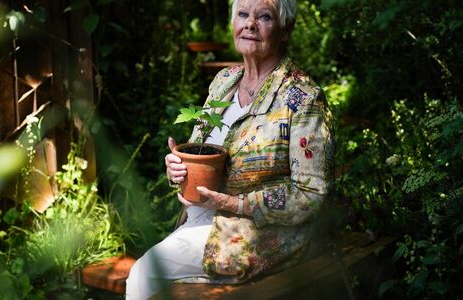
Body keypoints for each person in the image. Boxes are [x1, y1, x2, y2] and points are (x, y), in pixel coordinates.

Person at [126, 0, 333, 298]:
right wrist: (179, 169)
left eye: (264, 17)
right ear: (233, 23)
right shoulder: (224, 81)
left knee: (144, 275)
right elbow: (201, 152)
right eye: (243, 14)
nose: (250, 23)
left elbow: (312, 194)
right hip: (200, 217)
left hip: (256, 231)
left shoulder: (303, 99)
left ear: (286, 30)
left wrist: (237, 204)